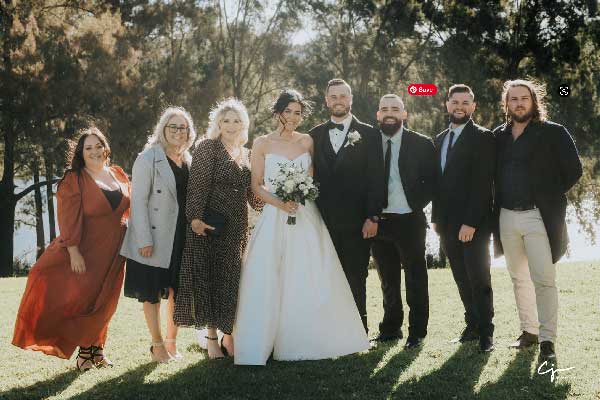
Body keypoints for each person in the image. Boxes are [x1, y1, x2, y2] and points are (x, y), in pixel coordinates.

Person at [234, 89, 369, 366]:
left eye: (297, 113)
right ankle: (263, 339)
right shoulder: (261, 143)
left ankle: (311, 337)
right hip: (275, 215)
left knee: (310, 271)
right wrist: (280, 203)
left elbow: (315, 177)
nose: (293, 118)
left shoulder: (308, 141)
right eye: (288, 112)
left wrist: (301, 195)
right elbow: (256, 185)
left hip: (306, 215)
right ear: (278, 113)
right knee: (269, 274)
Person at [13, 127, 131, 370]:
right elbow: (67, 218)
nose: (95, 151)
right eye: (88, 148)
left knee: (106, 300)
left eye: (98, 146)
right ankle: (84, 355)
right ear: (81, 152)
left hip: (115, 251)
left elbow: (129, 209)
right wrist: (74, 250)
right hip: (86, 250)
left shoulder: (118, 174)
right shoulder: (74, 179)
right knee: (86, 300)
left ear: (106, 148)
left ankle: (97, 351)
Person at [492, 79, 582, 359]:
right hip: (506, 216)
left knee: (543, 279)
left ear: (534, 101)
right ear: (506, 104)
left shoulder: (553, 132)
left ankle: (547, 341)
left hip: (538, 217)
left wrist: (549, 196)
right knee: (519, 278)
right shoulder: (498, 135)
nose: (519, 103)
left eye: (524, 98)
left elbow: (574, 171)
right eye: (513, 99)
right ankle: (528, 332)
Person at [174, 98, 263, 360]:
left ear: (244, 124)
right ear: (218, 124)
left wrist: (273, 192)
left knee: (232, 282)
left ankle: (229, 336)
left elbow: (253, 197)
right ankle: (212, 339)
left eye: (237, 121)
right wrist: (194, 219)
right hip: (211, 225)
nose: (231, 125)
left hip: (237, 229)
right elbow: (197, 187)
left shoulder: (247, 154)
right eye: (226, 120)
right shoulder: (207, 148)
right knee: (210, 281)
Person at [308, 78, 385, 334]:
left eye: (343, 96)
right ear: (327, 101)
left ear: (350, 99)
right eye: (334, 97)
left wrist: (373, 216)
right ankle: (329, 331)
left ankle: (358, 331)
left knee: (356, 275)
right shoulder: (314, 136)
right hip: (322, 221)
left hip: (358, 221)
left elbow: (377, 178)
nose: (338, 101)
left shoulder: (370, 134)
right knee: (326, 276)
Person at [120, 107, 196, 363]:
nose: (178, 131)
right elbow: (138, 201)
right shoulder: (148, 158)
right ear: (162, 129)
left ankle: (172, 343)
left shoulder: (189, 160)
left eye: (182, 127)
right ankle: (157, 345)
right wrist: (143, 239)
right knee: (151, 292)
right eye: (172, 127)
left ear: (189, 132)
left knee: (178, 290)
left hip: (182, 235)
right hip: (154, 236)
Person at [431, 84, 496, 352]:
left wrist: (470, 222)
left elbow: (483, 184)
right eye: (454, 102)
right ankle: (471, 324)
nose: (459, 107)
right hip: (446, 223)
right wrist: (436, 219)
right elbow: (438, 184)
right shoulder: (438, 139)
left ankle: (486, 333)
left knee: (478, 277)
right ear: (447, 105)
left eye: (465, 102)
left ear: (473, 106)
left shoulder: (483, 137)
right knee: (459, 275)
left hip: (474, 223)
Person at [369, 94, 437, 350]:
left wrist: (415, 203)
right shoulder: (369, 143)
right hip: (378, 220)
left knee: (415, 277)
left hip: (410, 221)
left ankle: (417, 332)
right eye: (384, 109)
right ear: (378, 115)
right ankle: (390, 328)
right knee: (387, 278)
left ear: (404, 114)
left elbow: (432, 182)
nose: (389, 113)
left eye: (395, 109)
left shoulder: (421, 143)